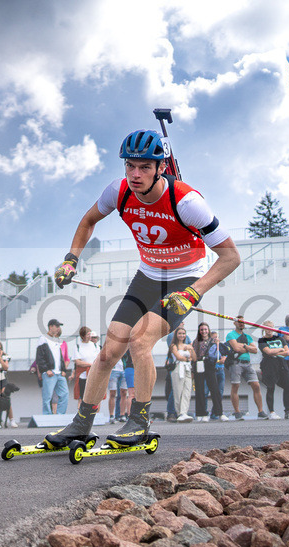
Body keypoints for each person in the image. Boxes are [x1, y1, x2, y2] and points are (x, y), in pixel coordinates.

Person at [45, 128, 240, 447]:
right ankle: (81, 424)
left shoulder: (186, 201)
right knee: (109, 350)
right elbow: (87, 221)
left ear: (161, 168)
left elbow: (230, 257)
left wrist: (194, 291)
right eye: (130, 166)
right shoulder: (118, 191)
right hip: (148, 275)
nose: (135, 174)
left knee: (140, 340)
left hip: (185, 278)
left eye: (145, 167)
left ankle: (138, 420)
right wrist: (71, 260)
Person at [227, 315, 266, 420]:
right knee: (235, 386)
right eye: (239, 322)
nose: (241, 324)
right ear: (235, 323)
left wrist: (244, 346)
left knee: (256, 385)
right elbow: (235, 348)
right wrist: (247, 347)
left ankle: (260, 411)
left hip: (247, 363)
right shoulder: (231, 335)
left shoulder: (247, 337)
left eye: (243, 322)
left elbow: (255, 350)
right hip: (236, 363)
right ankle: (237, 411)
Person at [258, 321, 289, 420]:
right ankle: (271, 412)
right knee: (270, 388)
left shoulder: (280, 338)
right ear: (263, 329)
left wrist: (276, 352)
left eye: (271, 327)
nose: (269, 329)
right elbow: (268, 352)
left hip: (281, 364)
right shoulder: (261, 340)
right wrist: (280, 350)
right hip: (269, 365)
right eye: (266, 327)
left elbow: (287, 352)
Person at [35, 319, 70, 415]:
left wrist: (63, 369)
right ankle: (47, 415)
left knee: (65, 394)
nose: (59, 328)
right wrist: (46, 370)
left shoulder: (57, 340)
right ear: (51, 327)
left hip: (59, 373)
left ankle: (60, 414)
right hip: (50, 373)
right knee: (47, 396)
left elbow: (60, 357)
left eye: (59, 326)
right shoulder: (43, 338)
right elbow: (40, 356)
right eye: (57, 326)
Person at [191, 322, 224, 422]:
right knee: (200, 390)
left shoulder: (213, 341)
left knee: (215, 389)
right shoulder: (195, 342)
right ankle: (201, 413)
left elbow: (218, 354)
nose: (204, 331)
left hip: (210, 365)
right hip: (199, 365)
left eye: (205, 329)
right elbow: (194, 356)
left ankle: (219, 413)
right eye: (202, 329)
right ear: (199, 331)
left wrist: (218, 344)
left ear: (208, 330)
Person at [0, 341, 19, 427]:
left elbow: (6, 367)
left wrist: (0, 358)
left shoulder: (5, 357)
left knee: (6, 399)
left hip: (2, 377)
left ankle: (11, 420)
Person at [169, 326, 195, 422]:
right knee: (178, 391)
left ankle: (184, 412)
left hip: (187, 369)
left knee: (187, 391)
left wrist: (191, 349)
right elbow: (178, 357)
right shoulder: (173, 346)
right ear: (176, 335)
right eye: (180, 333)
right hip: (178, 369)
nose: (182, 335)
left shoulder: (188, 346)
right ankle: (179, 412)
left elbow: (194, 358)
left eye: (183, 333)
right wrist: (188, 358)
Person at [73, 326, 99, 402]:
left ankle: (96, 413)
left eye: (90, 334)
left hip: (94, 374)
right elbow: (78, 362)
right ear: (83, 336)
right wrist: (90, 364)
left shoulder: (95, 346)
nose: (89, 336)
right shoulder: (78, 346)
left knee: (95, 396)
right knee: (82, 396)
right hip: (83, 375)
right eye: (88, 334)